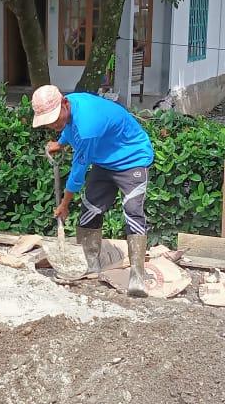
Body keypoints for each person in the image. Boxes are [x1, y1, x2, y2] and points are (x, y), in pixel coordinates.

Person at [31, 85, 155, 297]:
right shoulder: (72, 104)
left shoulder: (88, 126)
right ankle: (91, 264)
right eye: (49, 121)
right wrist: (60, 143)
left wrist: (64, 204)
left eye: (54, 119)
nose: (53, 124)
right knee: (90, 210)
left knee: (132, 211)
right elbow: (70, 126)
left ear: (64, 104)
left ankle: (137, 275)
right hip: (104, 162)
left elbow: (77, 173)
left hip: (132, 159)